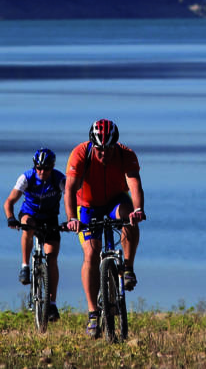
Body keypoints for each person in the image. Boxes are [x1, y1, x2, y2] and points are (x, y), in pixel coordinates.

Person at [63, 118, 146, 338]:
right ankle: (92, 314)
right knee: (90, 254)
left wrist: (138, 209)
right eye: (99, 149)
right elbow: (70, 189)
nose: (103, 154)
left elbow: (134, 184)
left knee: (129, 217)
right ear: (93, 144)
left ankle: (127, 268)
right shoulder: (80, 153)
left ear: (115, 145)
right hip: (88, 206)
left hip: (115, 201)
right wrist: (72, 218)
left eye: (108, 149)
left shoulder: (126, 154)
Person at [4, 147, 65, 323]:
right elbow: (9, 202)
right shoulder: (27, 177)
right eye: (38, 168)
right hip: (30, 214)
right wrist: (11, 218)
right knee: (27, 226)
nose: (41, 172)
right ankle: (25, 265)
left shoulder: (59, 178)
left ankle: (52, 303)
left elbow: (71, 196)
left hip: (50, 218)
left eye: (45, 168)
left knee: (52, 256)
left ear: (52, 167)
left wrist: (71, 219)